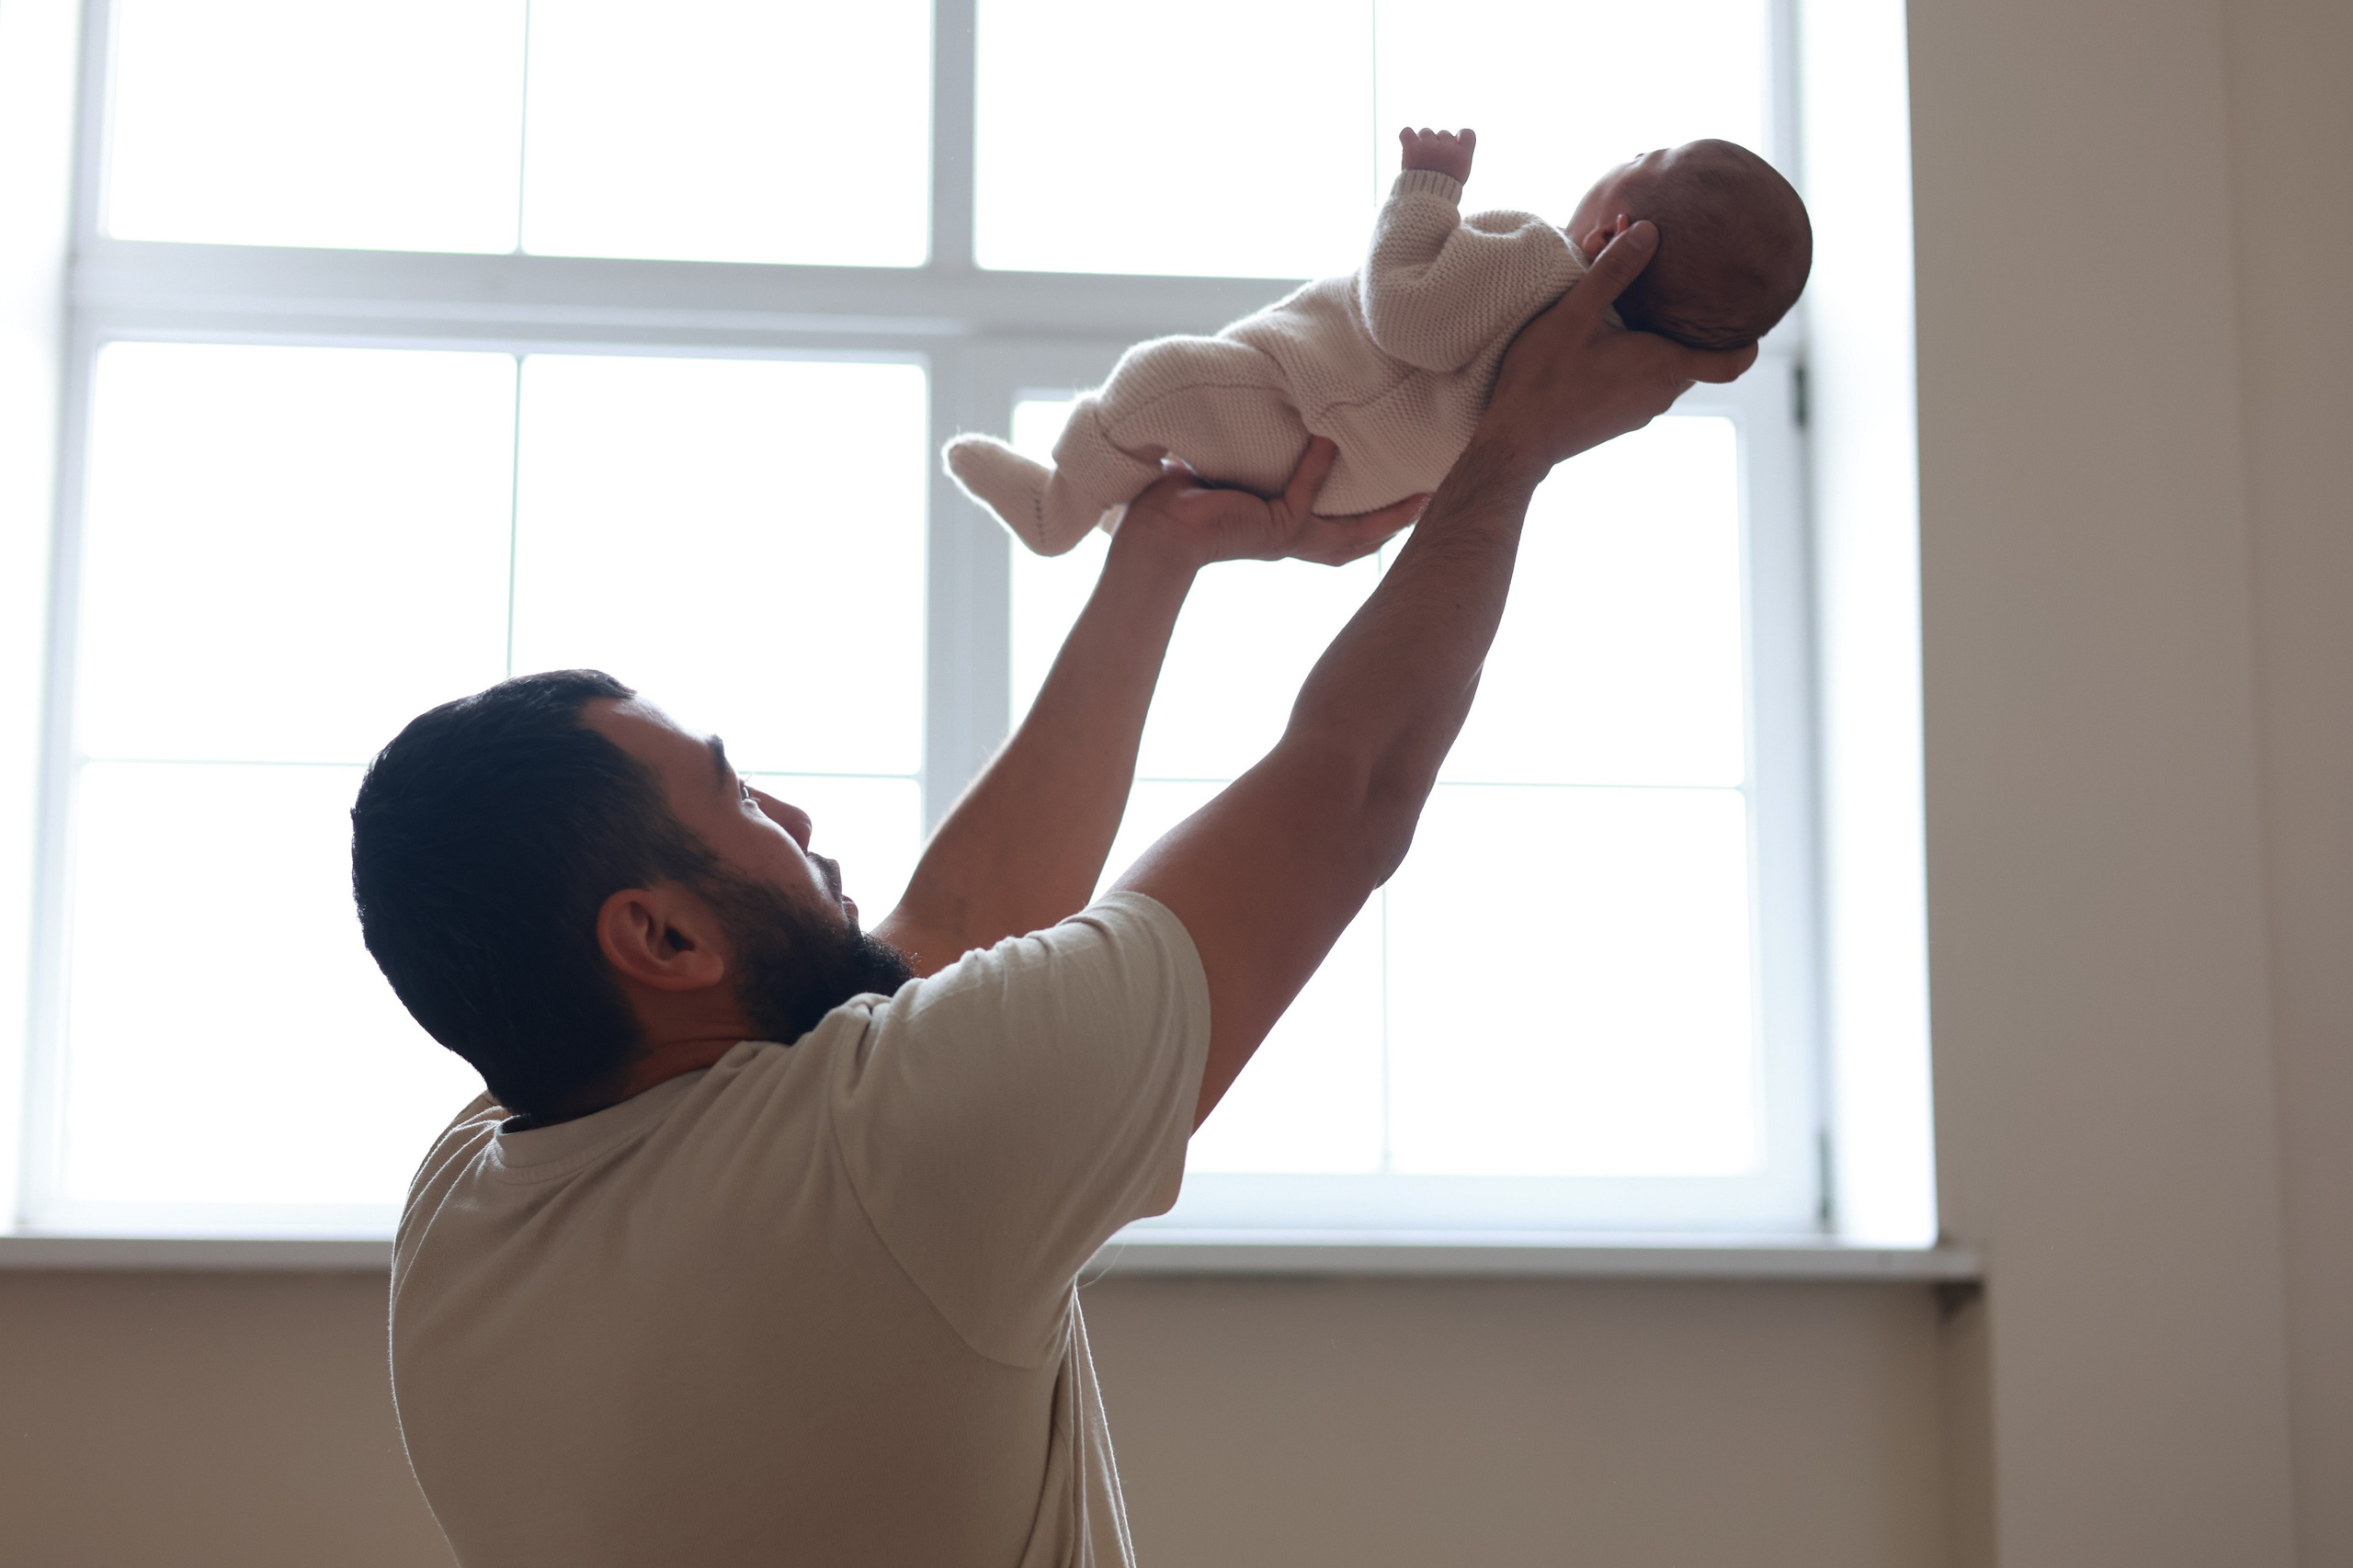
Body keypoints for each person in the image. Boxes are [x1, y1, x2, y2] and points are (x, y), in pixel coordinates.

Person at [350, 219, 1753, 1567]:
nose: (791, 814)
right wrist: (1509, 452)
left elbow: (944, 933)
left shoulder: (471, 1196)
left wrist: (1158, 556)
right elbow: (1353, 786)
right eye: (733, 797)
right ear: (659, 936)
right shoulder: (885, 1159)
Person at [944, 127, 1808, 555]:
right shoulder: (1602, 373)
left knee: (1156, 381)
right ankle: (1105, 505)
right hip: (1347, 481)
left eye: (1641, 153)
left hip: (1306, 407)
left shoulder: (1543, 268)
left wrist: (1426, 190)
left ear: (1618, 230)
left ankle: (1060, 509)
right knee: (1178, 429)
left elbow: (1402, 311)